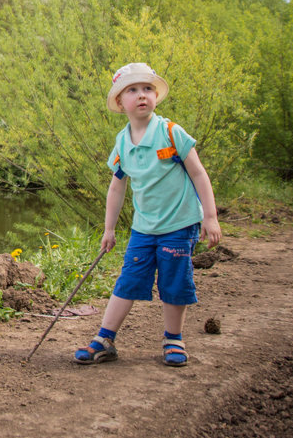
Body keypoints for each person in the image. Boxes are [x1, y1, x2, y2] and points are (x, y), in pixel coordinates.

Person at [74, 62, 222, 367]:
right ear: (120, 102)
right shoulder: (122, 143)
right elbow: (117, 188)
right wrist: (109, 229)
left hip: (179, 225)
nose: (142, 95)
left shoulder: (170, 132)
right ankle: (104, 339)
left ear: (155, 96)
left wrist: (210, 216)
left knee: (174, 281)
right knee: (129, 279)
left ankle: (173, 338)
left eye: (147, 89)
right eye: (132, 90)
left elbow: (198, 173)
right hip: (144, 228)